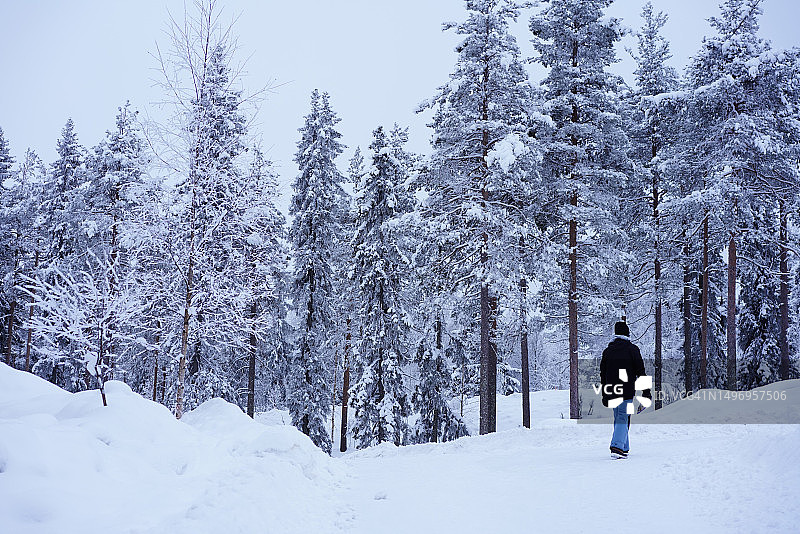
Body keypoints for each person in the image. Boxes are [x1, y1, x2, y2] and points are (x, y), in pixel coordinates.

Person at [600, 321, 651, 459]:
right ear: (627, 334)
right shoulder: (632, 350)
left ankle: (624, 446)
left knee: (618, 417)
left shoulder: (607, 351)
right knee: (623, 417)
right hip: (627, 390)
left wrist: (604, 394)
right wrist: (646, 392)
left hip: (611, 390)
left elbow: (603, 375)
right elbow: (641, 372)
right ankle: (617, 447)